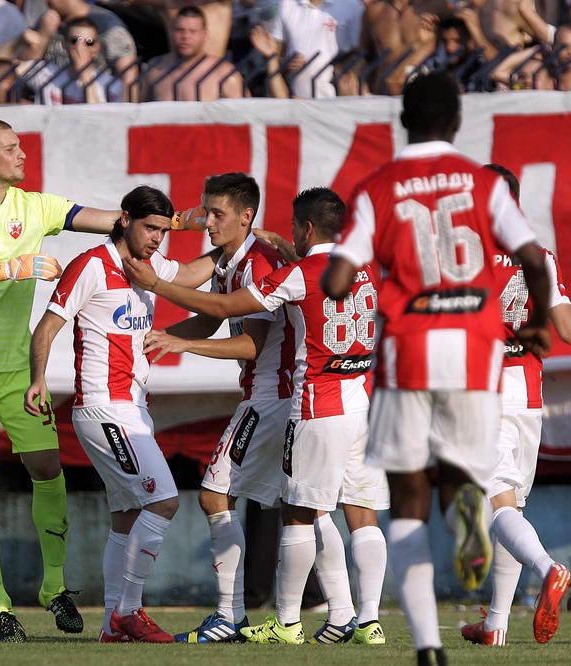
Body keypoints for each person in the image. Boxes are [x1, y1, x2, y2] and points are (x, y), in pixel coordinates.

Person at [317, 70, 556, 665]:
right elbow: (532, 258)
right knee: (461, 483)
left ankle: (427, 645)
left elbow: (338, 280)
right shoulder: (483, 185)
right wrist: (535, 324)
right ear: (456, 122)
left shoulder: (378, 187)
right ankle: (465, 510)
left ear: (403, 120)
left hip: (410, 353)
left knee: (406, 502)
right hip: (477, 356)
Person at [127, 187, 390, 647]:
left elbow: (238, 321)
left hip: (297, 400)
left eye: (216, 214)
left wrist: (158, 290)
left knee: (231, 498)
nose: (207, 222)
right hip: (362, 401)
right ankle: (359, 617)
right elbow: (208, 294)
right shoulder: (363, 266)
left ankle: (256, 618)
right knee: (337, 510)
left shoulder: (287, 268)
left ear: (306, 228)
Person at [0, 118, 124, 642]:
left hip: (15, 369)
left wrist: (175, 220)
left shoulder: (35, 206)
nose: (23, 154)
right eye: (11, 148)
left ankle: (53, 587)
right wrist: (11, 269)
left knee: (48, 468)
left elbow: (107, 221)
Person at [25, 185, 220, 643]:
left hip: (133, 409)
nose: (157, 238)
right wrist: (38, 379)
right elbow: (48, 325)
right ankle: (128, 612)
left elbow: (191, 274)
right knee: (165, 501)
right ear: (126, 219)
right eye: (150, 227)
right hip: (102, 406)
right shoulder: (91, 265)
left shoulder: (149, 267)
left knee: (128, 516)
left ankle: (113, 622)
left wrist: (237, 241)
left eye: (163, 231)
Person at [140, 173, 294, 643]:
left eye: (217, 214)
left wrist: (178, 343)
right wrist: (161, 339)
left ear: (246, 217)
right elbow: (207, 315)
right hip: (287, 395)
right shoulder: (233, 256)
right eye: (205, 212)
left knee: (213, 492)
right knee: (309, 507)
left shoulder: (259, 263)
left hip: (270, 395)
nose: (207, 221)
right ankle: (349, 614)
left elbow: (251, 344)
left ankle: (231, 615)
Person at [460, 164, 571, 646]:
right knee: (511, 504)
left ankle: (549, 568)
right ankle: (495, 624)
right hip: (527, 391)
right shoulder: (540, 256)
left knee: (496, 503)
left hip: (481, 389)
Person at [141, 5, 243, 101]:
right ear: (172, 32)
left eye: (193, 31)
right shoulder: (155, 69)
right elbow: (140, 113)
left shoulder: (224, 74)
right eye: (180, 30)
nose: (185, 37)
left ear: (204, 35)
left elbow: (245, 115)